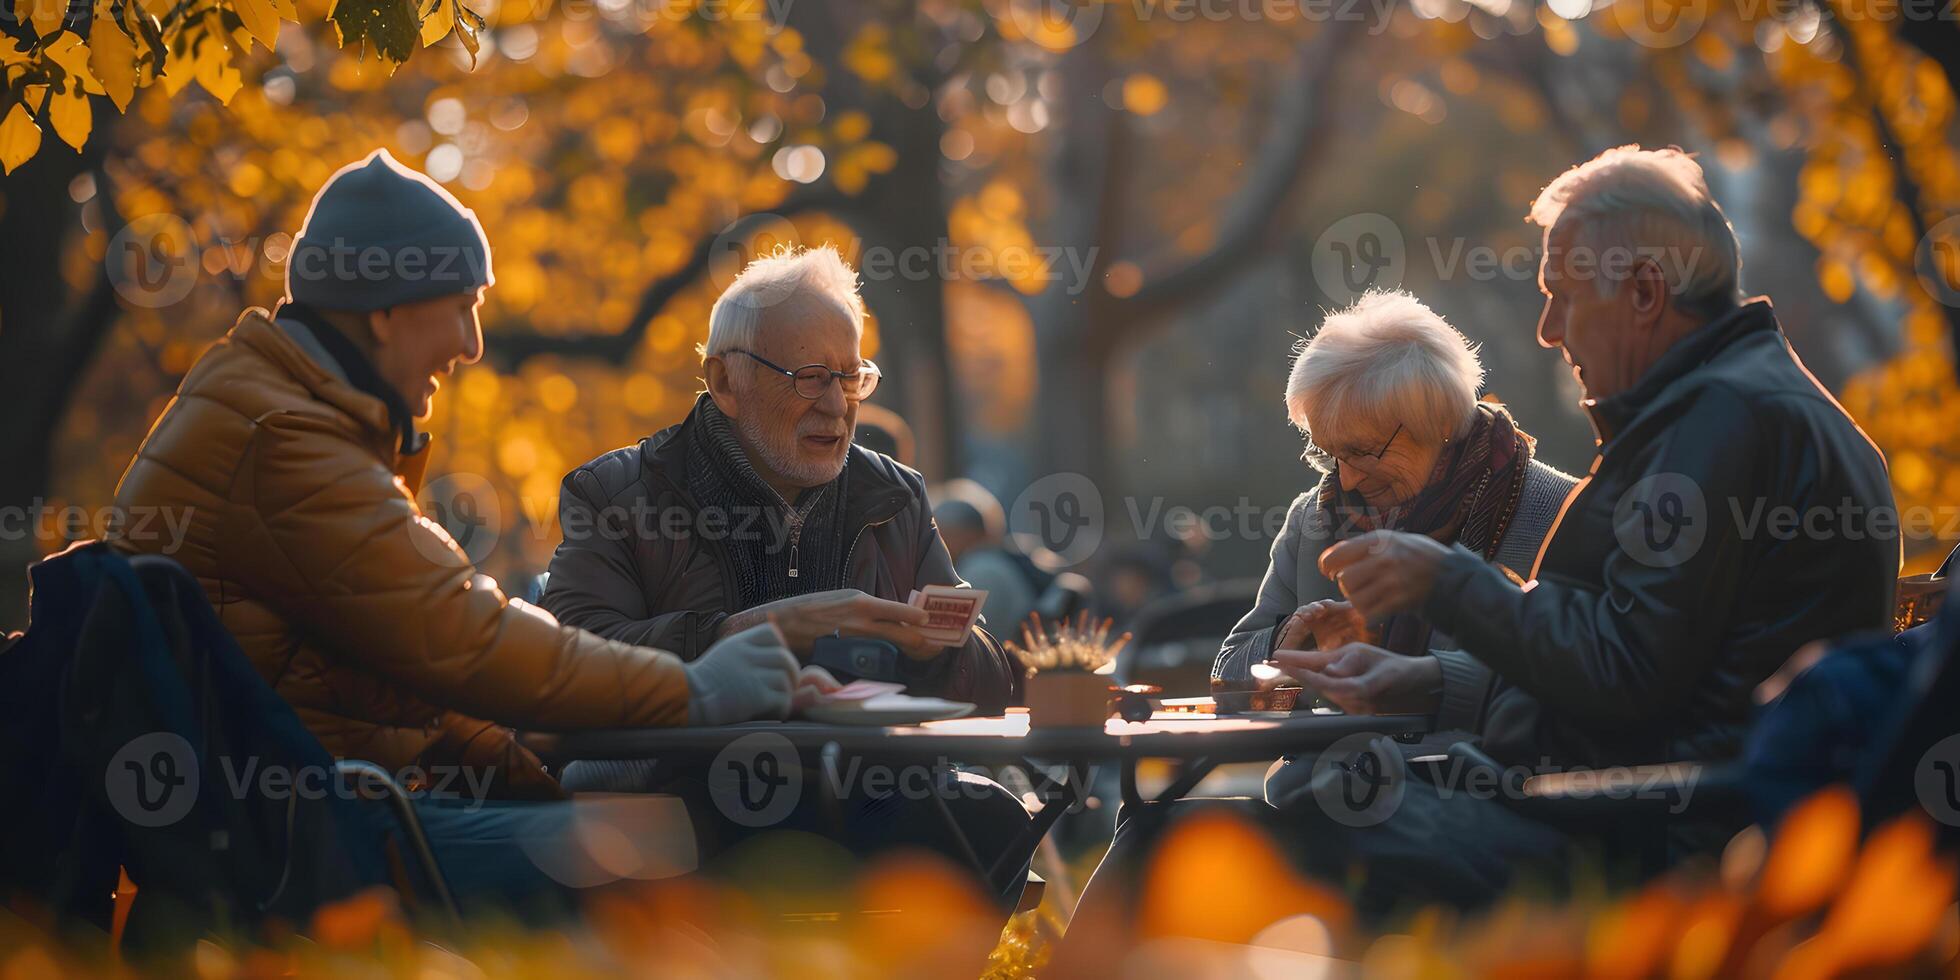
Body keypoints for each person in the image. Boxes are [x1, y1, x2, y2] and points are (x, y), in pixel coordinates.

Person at [1060, 146, 1898, 960]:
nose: (1546, 329)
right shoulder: (1739, 406)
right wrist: (1416, 677)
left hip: (1642, 828)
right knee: (1243, 823)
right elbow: (1634, 645)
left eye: (1562, 297)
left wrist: (1447, 580)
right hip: (1619, 804)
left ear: (1646, 290)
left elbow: (1622, 673)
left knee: (1214, 837)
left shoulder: (1719, 422)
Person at [108, 151, 811, 909]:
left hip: (307, 810)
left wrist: (534, 780)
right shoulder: (283, 440)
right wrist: (693, 688)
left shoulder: (288, 415)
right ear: (387, 311)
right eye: (462, 306)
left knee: (639, 832)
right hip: (296, 838)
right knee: (655, 857)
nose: (472, 344)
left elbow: (417, 676)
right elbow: (466, 638)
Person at [539, 245, 1030, 907]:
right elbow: (564, 663)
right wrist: (756, 633)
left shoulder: (896, 495)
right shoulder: (614, 493)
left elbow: (988, 682)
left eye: (851, 377)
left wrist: (938, 648)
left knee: (992, 822)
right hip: (679, 787)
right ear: (723, 382)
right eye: (809, 377)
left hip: (865, 789)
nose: (836, 406)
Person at [1212, 288, 1578, 725]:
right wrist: (1282, 650)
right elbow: (1229, 687)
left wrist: (1430, 682)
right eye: (1329, 453)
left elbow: (1578, 681)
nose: (1345, 478)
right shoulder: (1312, 520)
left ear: (1440, 422)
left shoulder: (1555, 512)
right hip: (1320, 787)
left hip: (1474, 786)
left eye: (1363, 451)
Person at [934, 479, 1041, 637]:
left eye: (940, 532)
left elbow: (950, 634)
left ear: (966, 532)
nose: (935, 541)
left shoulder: (983, 570)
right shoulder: (993, 563)